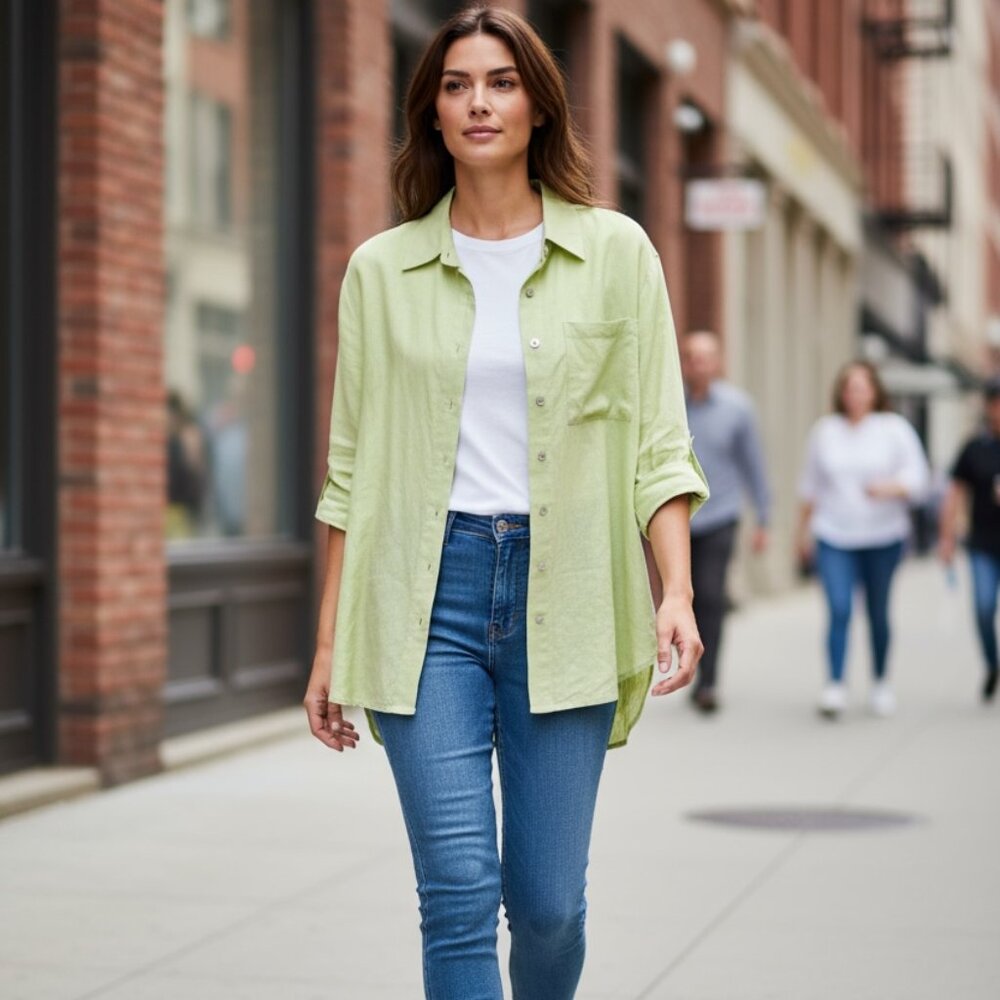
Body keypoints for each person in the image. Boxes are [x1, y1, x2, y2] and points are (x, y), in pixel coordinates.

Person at [301, 6, 709, 997]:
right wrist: (326, 647)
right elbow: (348, 473)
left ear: (537, 105)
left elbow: (658, 447)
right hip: (423, 600)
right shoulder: (379, 271)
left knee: (548, 906)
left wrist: (676, 591)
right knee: (455, 893)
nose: (477, 101)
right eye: (454, 84)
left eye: (499, 81)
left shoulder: (616, 254)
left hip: (566, 593)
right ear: (431, 114)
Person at [796, 361, 929, 719]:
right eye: (848, 388)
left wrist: (891, 487)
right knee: (839, 608)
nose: (854, 395)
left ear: (874, 391)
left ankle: (880, 681)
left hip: (883, 536)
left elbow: (919, 481)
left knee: (877, 612)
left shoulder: (894, 429)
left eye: (861, 387)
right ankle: (835, 685)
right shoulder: (825, 431)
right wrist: (802, 533)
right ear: (840, 393)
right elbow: (810, 486)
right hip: (834, 534)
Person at [682, 330, 771, 713]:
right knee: (689, 597)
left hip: (721, 515)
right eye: (691, 357)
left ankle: (709, 682)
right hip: (679, 521)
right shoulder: (670, 405)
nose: (698, 364)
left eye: (706, 357)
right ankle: (695, 669)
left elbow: (754, 465)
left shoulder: (737, 408)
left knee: (712, 595)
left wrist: (764, 519)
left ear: (718, 363)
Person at [937, 377, 1000, 702]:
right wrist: (946, 538)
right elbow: (954, 493)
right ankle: (993, 664)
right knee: (984, 607)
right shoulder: (975, 448)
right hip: (983, 545)